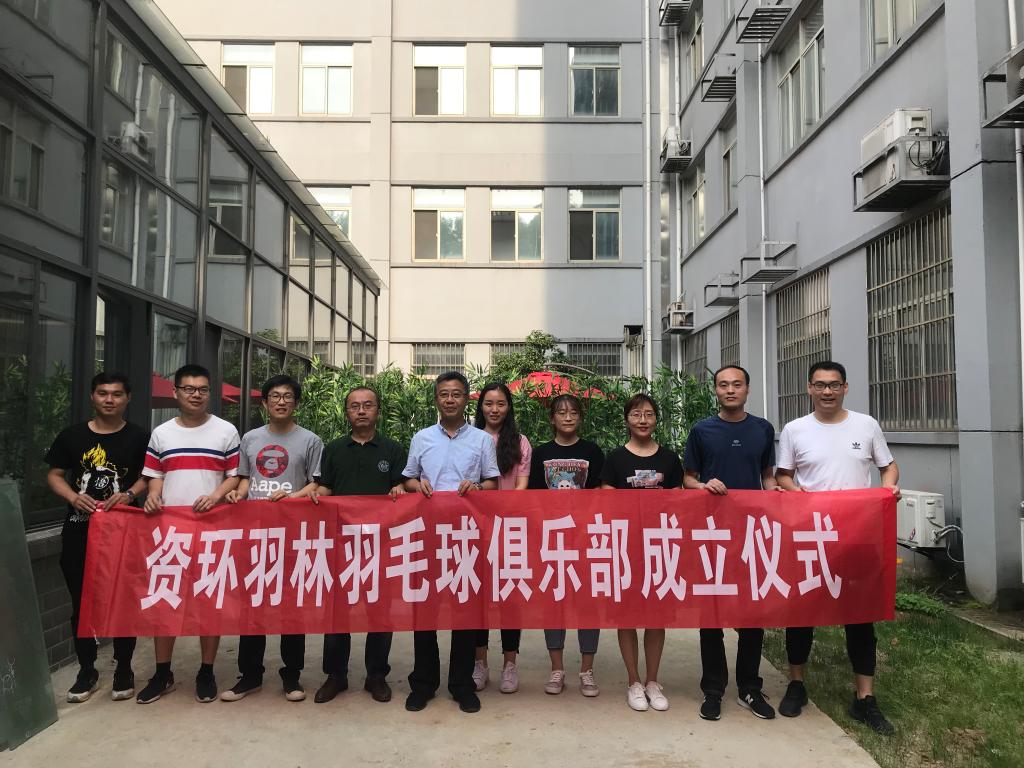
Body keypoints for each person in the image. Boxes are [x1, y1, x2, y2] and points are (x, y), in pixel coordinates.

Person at [774, 360, 900, 735]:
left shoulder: (866, 425)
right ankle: (797, 683)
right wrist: (799, 494)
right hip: (811, 536)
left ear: (845, 388)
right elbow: (783, 475)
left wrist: (888, 489)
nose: (826, 391)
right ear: (809, 388)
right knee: (802, 612)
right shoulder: (795, 429)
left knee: (860, 615)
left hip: (857, 534)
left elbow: (888, 467)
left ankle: (865, 698)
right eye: (820, 385)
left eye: (833, 385)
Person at [137, 363, 240, 704]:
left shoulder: (226, 431)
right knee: (165, 601)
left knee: (209, 602)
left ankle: (206, 671)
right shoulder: (162, 433)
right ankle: (162, 673)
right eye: (189, 389)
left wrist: (216, 495)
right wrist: (153, 495)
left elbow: (235, 476)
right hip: (170, 533)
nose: (196, 395)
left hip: (213, 532)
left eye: (202, 389)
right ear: (175, 392)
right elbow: (155, 475)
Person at [45, 372, 149, 703]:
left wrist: (130, 494)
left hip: (125, 532)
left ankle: (124, 668)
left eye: (117, 394)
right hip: (79, 530)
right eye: (103, 393)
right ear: (92, 396)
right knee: (81, 602)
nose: (109, 399)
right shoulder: (71, 436)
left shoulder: (140, 437)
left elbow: (150, 475)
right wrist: (73, 497)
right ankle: (87, 670)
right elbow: (54, 474)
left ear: (128, 398)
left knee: (124, 600)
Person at [683, 365, 778, 722]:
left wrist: (779, 497)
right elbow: (688, 479)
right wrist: (703, 485)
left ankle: (750, 688)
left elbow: (767, 477)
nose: (730, 390)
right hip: (712, 534)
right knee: (712, 614)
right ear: (716, 391)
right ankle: (713, 689)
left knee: (752, 613)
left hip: (752, 532)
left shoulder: (762, 429)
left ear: (747, 389)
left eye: (737, 384)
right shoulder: (702, 430)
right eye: (723, 385)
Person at [220, 374, 323, 703]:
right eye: (275, 396)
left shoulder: (310, 441)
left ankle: (292, 675)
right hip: (255, 534)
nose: (281, 401)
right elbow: (244, 480)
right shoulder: (250, 439)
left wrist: (293, 497)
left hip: (293, 535)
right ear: (264, 402)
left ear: (297, 403)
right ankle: (249, 675)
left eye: (288, 396)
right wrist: (237, 495)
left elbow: (317, 484)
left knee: (292, 607)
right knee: (252, 607)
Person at [401, 371, 500, 714]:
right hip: (426, 533)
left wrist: (477, 487)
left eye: (456, 394)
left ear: (466, 399)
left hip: (465, 534)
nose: (450, 400)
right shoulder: (422, 437)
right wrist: (417, 485)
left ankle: (461, 685)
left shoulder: (482, 440)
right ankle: (423, 683)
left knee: (465, 611)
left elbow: (493, 483)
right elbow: (408, 478)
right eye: (444, 394)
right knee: (425, 610)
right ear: (436, 399)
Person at [311, 385, 407, 705]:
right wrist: (307, 497)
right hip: (341, 543)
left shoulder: (392, 449)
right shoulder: (334, 449)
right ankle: (335, 675)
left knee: (380, 611)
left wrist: (399, 491)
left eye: (368, 405)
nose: (361, 410)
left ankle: (376, 675)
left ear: (378, 410)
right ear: (346, 412)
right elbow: (325, 488)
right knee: (338, 612)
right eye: (355, 406)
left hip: (381, 544)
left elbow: (399, 486)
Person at [601, 393, 683, 713]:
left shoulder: (669, 459)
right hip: (626, 546)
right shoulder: (615, 459)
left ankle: (652, 681)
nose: (643, 420)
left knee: (655, 615)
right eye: (636, 414)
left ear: (656, 419)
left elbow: (678, 501)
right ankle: (633, 681)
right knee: (627, 615)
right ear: (627, 420)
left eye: (649, 414)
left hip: (659, 545)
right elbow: (607, 501)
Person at [527, 393, 605, 697]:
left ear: (580, 417)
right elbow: (533, 498)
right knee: (554, 601)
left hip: (585, 538)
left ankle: (587, 670)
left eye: (573, 412)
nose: (568, 417)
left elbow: (600, 495)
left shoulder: (592, 451)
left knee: (588, 602)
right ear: (553, 418)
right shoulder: (541, 453)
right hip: (552, 538)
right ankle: (557, 668)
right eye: (561, 412)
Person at [472, 382, 531, 694]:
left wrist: (502, 513)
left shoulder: (520, 442)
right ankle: (480, 662)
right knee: (478, 597)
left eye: (501, 404)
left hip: (510, 528)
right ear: (480, 406)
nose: (494, 409)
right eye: (489, 403)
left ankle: (510, 663)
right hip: (475, 528)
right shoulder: (470, 438)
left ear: (509, 408)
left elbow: (521, 487)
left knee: (510, 597)